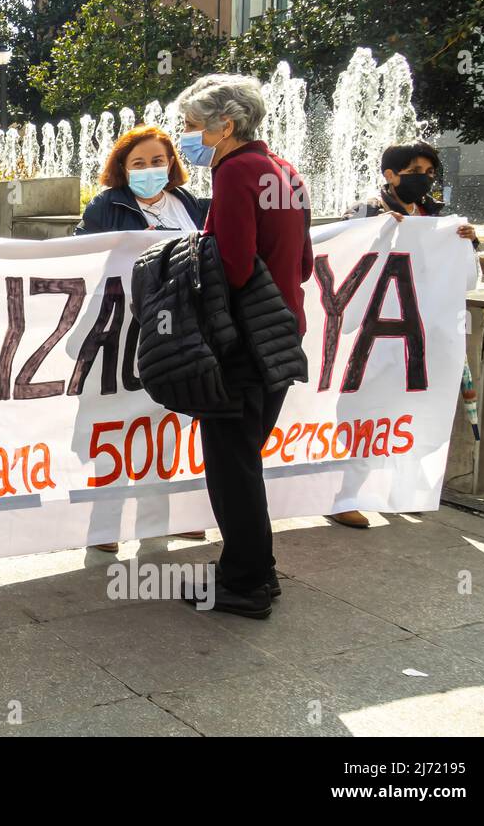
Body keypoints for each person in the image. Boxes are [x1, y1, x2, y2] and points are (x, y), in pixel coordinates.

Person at [173, 74, 314, 619]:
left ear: (224, 126)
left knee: (232, 463)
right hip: (283, 329)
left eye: (191, 127)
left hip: (242, 336)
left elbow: (231, 265)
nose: (187, 136)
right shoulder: (286, 170)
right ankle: (255, 569)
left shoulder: (235, 171)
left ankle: (246, 583)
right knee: (244, 455)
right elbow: (301, 262)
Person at [74, 125, 208, 550]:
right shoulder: (106, 206)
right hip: (119, 332)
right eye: (139, 163)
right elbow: (76, 258)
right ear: (122, 168)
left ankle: (159, 519)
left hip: (178, 331)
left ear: (171, 164)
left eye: (157, 160)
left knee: (167, 423)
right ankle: (104, 525)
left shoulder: (188, 204)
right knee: (114, 428)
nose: (150, 169)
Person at [331, 141, 478, 528]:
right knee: (364, 412)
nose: (424, 179)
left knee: (406, 412)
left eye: (430, 173)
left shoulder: (437, 216)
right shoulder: (365, 210)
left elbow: (464, 278)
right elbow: (348, 260)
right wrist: (378, 234)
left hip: (415, 335)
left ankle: (402, 489)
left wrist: (466, 243)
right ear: (390, 175)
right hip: (372, 334)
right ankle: (344, 495)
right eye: (415, 171)